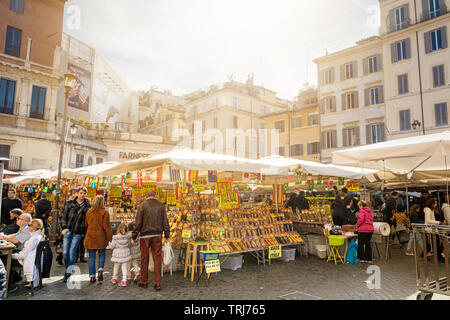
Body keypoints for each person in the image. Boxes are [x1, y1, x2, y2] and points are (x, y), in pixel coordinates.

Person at [132, 190, 170, 291]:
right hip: (157, 235)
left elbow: (138, 223)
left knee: (144, 258)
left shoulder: (142, 205)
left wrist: (134, 236)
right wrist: (167, 234)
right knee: (157, 258)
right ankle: (157, 283)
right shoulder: (161, 205)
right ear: (155, 196)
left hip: (145, 236)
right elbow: (165, 221)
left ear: (146, 196)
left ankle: (144, 281)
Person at [60, 187, 91, 283]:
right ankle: (68, 267)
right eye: (81, 193)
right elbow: (63, 216)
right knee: (65, 251)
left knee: (72, 251)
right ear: (77, 193)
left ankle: (68, 272)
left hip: (78, 232)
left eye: (84, 193)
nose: (82, 195)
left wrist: (84, 232)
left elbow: (87, 221)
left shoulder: (88, 206)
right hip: (68, 230)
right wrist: (64, 227)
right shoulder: (69, 203)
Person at [84, 195, 113, 284]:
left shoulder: (89, 212)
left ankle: (92, 276)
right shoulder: (105, 212)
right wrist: (110, 237)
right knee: (101, 254)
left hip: (90, 236)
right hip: (101, 236)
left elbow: (86, 224)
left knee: (91, 257)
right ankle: (100, 270)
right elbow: (106, 227)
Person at [11, 219, 44, 290]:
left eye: (29, 225)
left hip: (29, 260)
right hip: (33, 260)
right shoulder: (37, 235)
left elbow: (23, 255)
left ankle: (10, 284)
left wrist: (11, 256)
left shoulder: (34, 238)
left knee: (6, 260)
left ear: (34, 228)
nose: (27, 226)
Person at [107, 223, 132, 287]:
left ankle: (114, 278)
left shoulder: (115, 238)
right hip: (125, 254)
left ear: (118, 229)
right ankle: (124, 280)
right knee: (124, 267)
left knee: (116, 267)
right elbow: (129, 245)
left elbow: (112, 246)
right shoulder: (128, 237)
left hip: (117, 254)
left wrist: (107, 245)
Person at [424, 198, 445, 263]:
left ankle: (438, 256)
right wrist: (438, 222)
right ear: (432, 204)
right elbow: (428, 221)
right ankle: (438, 257)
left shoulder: (431, 210)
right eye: (435, 203)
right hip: (430, 230)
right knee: (436, 244)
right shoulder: (428, 210)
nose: (436, 204)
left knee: (437, 244)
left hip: (433, 229)